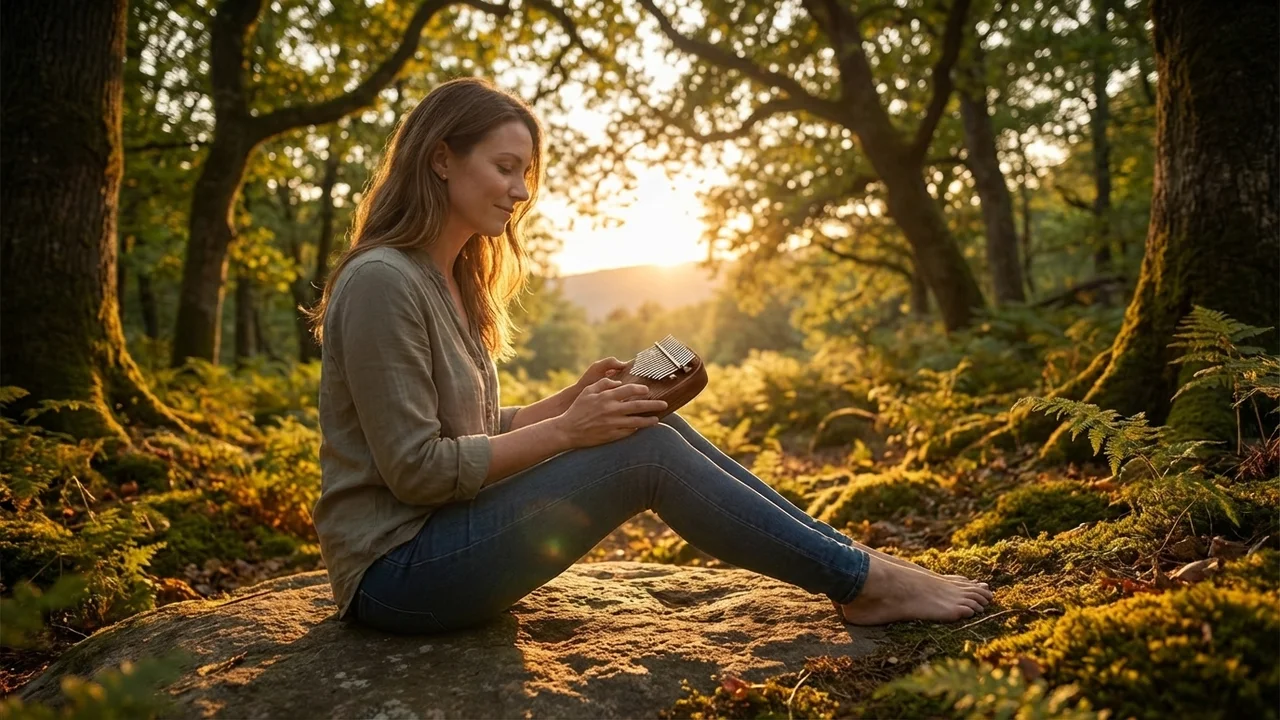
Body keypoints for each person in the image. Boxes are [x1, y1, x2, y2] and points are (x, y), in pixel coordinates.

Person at [306, 77, 992, 636]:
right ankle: (863, 584)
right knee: (646, 455)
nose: (521, 191)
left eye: (526, 173)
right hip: (397, 573)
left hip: (449, 537)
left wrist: (571, 403)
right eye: (505, 167)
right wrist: (569, 432)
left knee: (649, 424)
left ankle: (853, 562)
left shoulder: (451, 280)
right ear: (441, 159)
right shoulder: (382, 282)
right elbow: (419, 470)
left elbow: (471, 430)